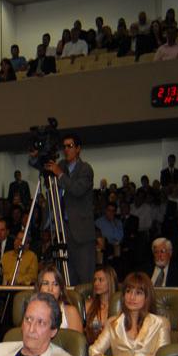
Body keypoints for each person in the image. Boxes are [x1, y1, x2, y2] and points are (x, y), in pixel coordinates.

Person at [44, 132, 95, 286]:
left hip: (81, 233)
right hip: (63, 231)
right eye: (64, 147)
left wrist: (59, 174)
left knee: (85, 278)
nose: (66, 150)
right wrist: (36, 157)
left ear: (78, 149)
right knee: (67, 279)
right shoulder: (61, 166)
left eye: (70, 146)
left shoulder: (85, 169)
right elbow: (44, 168)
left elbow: (77, 190)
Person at [89, 272, 170, 356]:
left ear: (147, 297)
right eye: (128, 291)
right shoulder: (112, 323)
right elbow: (93, 350)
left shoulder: (160, 323)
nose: (132, 297)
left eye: (138, 293)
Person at [36, 264, 83, 332]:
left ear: (60, 290)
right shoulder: (31, 311)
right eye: (46, 283)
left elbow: (77, 341)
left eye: (55, 284)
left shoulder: (70, 312)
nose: (50, 289)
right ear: (39, 288)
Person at [85, 266, 119, 344]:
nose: (96, 283)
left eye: (100, 280)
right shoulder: (88, 305)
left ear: (110, 282)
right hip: (92, 348)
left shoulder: (119, 306)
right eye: (95, 280)